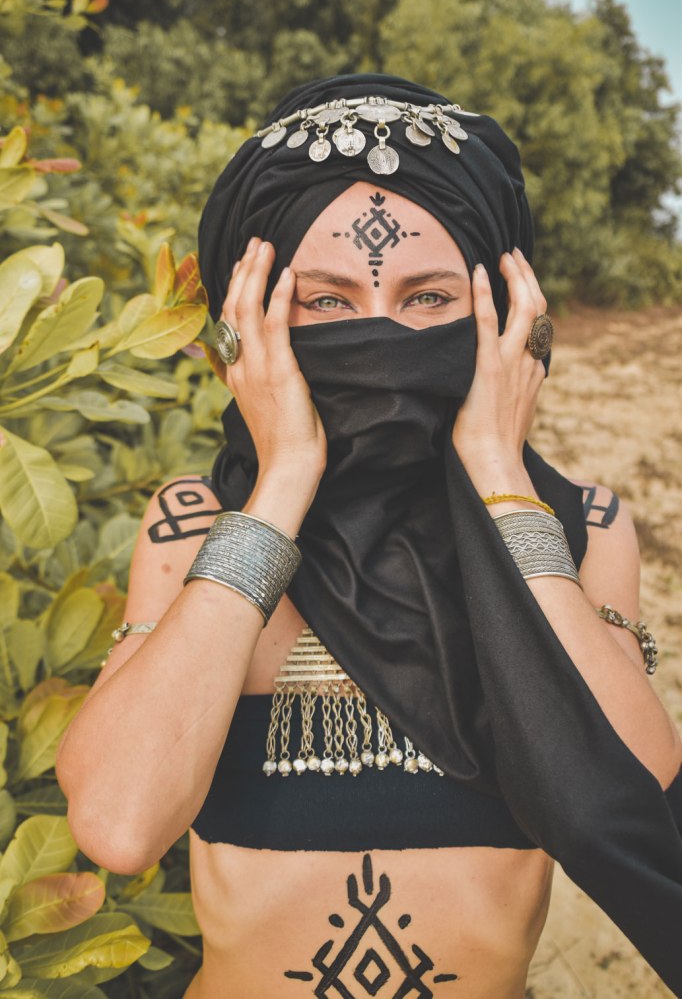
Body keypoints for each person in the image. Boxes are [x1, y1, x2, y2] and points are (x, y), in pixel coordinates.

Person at [56, 74, 682, 999]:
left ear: (504, 313)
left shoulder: (579, 525)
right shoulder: (196, 522)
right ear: (252, 318)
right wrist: (282, 483)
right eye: (328, 302)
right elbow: (120, 822)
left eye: (430, 298)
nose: (383, 338)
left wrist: (499, 472)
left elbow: (630, 784)